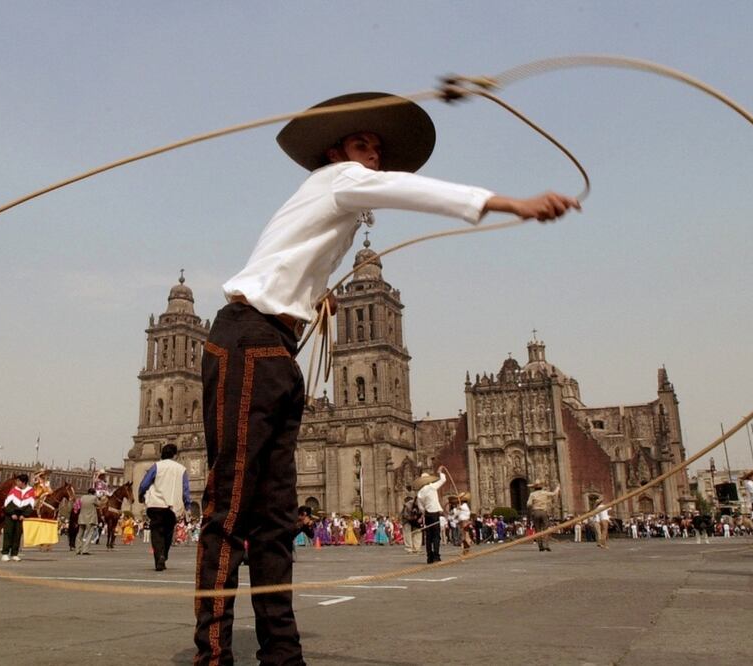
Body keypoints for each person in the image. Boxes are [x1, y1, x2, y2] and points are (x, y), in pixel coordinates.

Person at [191, 91, 579, 665]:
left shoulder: (334, 204)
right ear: (335, 151)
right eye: (361, 144)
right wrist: (509, 203)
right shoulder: (338, 179)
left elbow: (295, 262)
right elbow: (414, 191)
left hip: (274, 347)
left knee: (275, 520)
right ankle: (213, 655)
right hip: (247, 340)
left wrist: (308, 301)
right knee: (230, 511)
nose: (371, 155)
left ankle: (282, 653)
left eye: (376, 148)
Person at [139, 443, 189, 571]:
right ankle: (164, 555)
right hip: (172, 507)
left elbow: (145, 483)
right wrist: (187, 505)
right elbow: (185, 490)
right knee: (168, 532)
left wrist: (141, 494)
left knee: (156, 532)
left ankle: (159, 556)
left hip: (155, 505)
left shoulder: (156, 466)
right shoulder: (181, 469)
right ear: (175, 455)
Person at [415, 467, 448, 564]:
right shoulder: (432, 487)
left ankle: (429, 557)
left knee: (429, 536)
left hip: (427, 514)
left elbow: (421, 507)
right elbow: (443, 480)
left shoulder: (420, 493)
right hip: (434, 513)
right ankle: (436, 556)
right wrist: (440, 472)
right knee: (436, 536)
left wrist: (425, 512)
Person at [2, 473, 35, 562]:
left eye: (18, 481)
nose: (17, 482)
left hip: (21, 516)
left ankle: (14, 554)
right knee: (8, 534)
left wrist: (24, 515)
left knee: (17, 535)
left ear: (23, 482)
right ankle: (5, 553)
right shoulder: (13, 490)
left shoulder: (30, 491)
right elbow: (7, 504)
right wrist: (11, 513)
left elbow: (31, 505)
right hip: (11, 515)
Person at [526, 481, 561, 552]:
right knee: (545, 529)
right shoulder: (545, 492)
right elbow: (554, 493)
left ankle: (540, 546)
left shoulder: (532, 494)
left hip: (535, 512)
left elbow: (528, 504)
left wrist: (533, 505)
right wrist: (558, 488)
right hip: (543, 512)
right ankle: (546, 545)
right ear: (541, 487)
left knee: (538, 530)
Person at [76, 488, 99, 556]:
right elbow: (99, 504)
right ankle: (85, 550)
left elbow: (78, 505)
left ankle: (78, 549)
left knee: (80, 534)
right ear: (94, 493)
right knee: (89, 534)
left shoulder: (82, 497)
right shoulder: (94, 498)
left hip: (82, 517)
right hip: (90, 518)